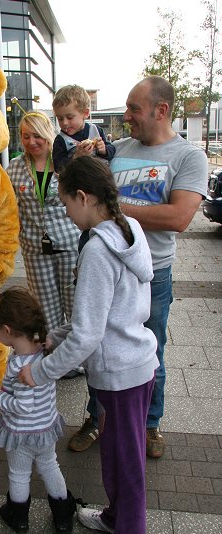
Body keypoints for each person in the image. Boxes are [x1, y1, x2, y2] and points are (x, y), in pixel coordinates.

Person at [19, 156, 158, 534]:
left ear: (84, 197)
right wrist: (53, 338)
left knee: (126, 466)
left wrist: (40, 371)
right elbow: (92, 320)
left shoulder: (97, 249)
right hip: (132, 364)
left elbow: (87, 336)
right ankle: (116, 518)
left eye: (65, 204)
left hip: (122, 372)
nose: (64, 212)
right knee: (118, 458)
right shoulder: (127, 228)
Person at [68, 76, 208, 458]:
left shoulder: (188, 156)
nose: (126, 116)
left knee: (151, 354)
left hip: (151, 274)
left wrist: (109, 208)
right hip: (102, 268)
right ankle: (97, 419)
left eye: (133, 109)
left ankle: (148, 425)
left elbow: (178, 217)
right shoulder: (117, 150)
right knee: (98, 346)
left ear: (160, 111)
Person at [0, 286, 76, 534]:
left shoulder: (19, 366)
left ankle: (19, 518)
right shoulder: (45, 352)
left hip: (21, 433)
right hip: (45, 427)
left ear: (7, 331)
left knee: (19, 473)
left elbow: (22, 407)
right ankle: (63, 516)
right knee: (50, 465)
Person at [6, 111, 81, 342]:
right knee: (45, 304)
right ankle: (54, 352)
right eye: (26, 136)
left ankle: (77, 357)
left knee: (74, 301)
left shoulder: (65, 161)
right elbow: (8, 207)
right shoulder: (15, 167)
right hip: (34, 248)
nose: (31, 142)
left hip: (69, 243)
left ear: (48, 134)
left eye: (37, 135)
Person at [52, 85, 115, 173]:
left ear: (85, 113)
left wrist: (104, 150)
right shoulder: (61, 140)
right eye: (60, 119)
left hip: (101, 181)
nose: (64, 123)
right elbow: (58, 167)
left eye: (70, 117)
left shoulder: (95, 130)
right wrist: (75, 157)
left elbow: (112, 149)